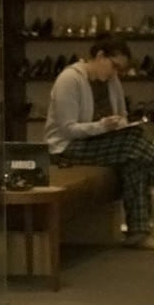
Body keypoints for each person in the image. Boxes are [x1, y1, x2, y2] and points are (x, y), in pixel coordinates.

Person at [44, 35, 154, 248]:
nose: (115, 72)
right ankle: (139, 231)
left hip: (100, 142)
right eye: (114, 66)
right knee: (133, 144)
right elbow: (67, 129)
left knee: (135, 157)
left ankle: (138, 233)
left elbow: (121, 114)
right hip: (66, 147)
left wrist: (120, 123)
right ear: (100, 56)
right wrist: (102, 126)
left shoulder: (112, 82)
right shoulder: (69, 80)